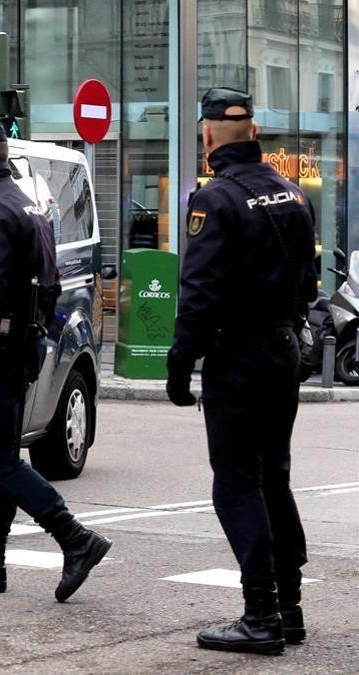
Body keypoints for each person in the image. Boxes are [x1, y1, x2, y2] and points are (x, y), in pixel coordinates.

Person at [166, 88, 317, 655]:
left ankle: (260, 615)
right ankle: (290, 605)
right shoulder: (291, 194)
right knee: (273, 476)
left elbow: (199, 292)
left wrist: (181, 366)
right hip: (281, 348)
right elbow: (307, 283)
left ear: (207, 137)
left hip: (239, 356)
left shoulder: (216, 200)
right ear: (253, 132)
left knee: (235, 483)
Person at [0, 119, 111, 602]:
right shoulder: (27, 203)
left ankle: (74, 538)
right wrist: (31, 340)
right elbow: (48, 285)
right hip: (19, 347)